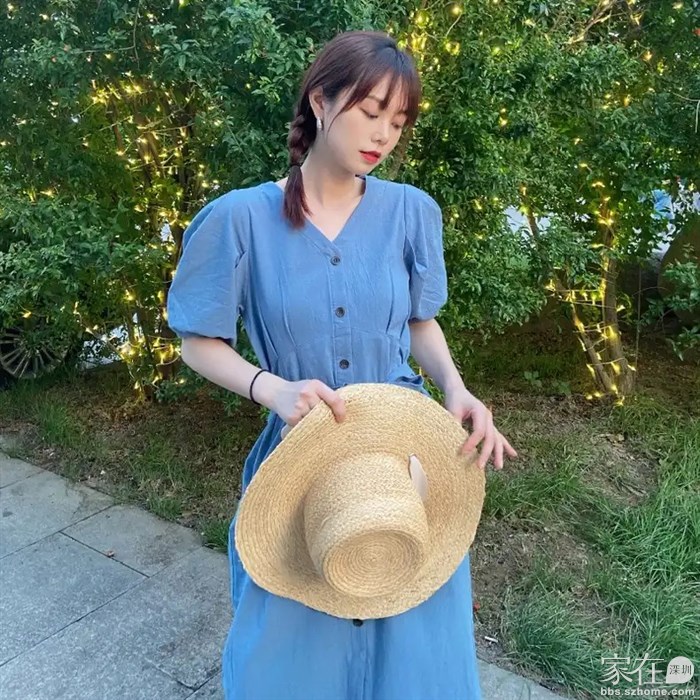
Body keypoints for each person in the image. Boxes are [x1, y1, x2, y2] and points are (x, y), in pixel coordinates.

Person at [166, 29, 517, 700]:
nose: (383, 134)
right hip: (302, 455)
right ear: (320, 101)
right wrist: (271, 388)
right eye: (370, 110)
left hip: (405, 456)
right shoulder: (240, 219)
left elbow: (419, 321)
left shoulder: (411, 212)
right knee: (288, 650)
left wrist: (455, 387)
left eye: (398, 120)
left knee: (415, 636)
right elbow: (196, 341)